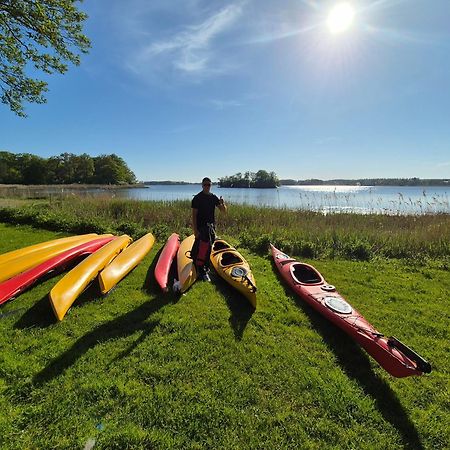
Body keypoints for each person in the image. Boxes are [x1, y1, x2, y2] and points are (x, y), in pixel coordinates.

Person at [191, 177, 227, 281]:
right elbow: (194, 215)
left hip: (211, 227)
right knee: (202, 247)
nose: (207, 187)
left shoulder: (213, 197)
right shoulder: (197, 198)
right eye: (205, 185)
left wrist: (222, 203)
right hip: (201, 227)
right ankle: (202, 270)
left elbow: (223, 211)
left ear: (211, 186)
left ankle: (202, 266)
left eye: (209, 185)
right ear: (202, 185)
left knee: (208, 248)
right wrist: (195, 230)